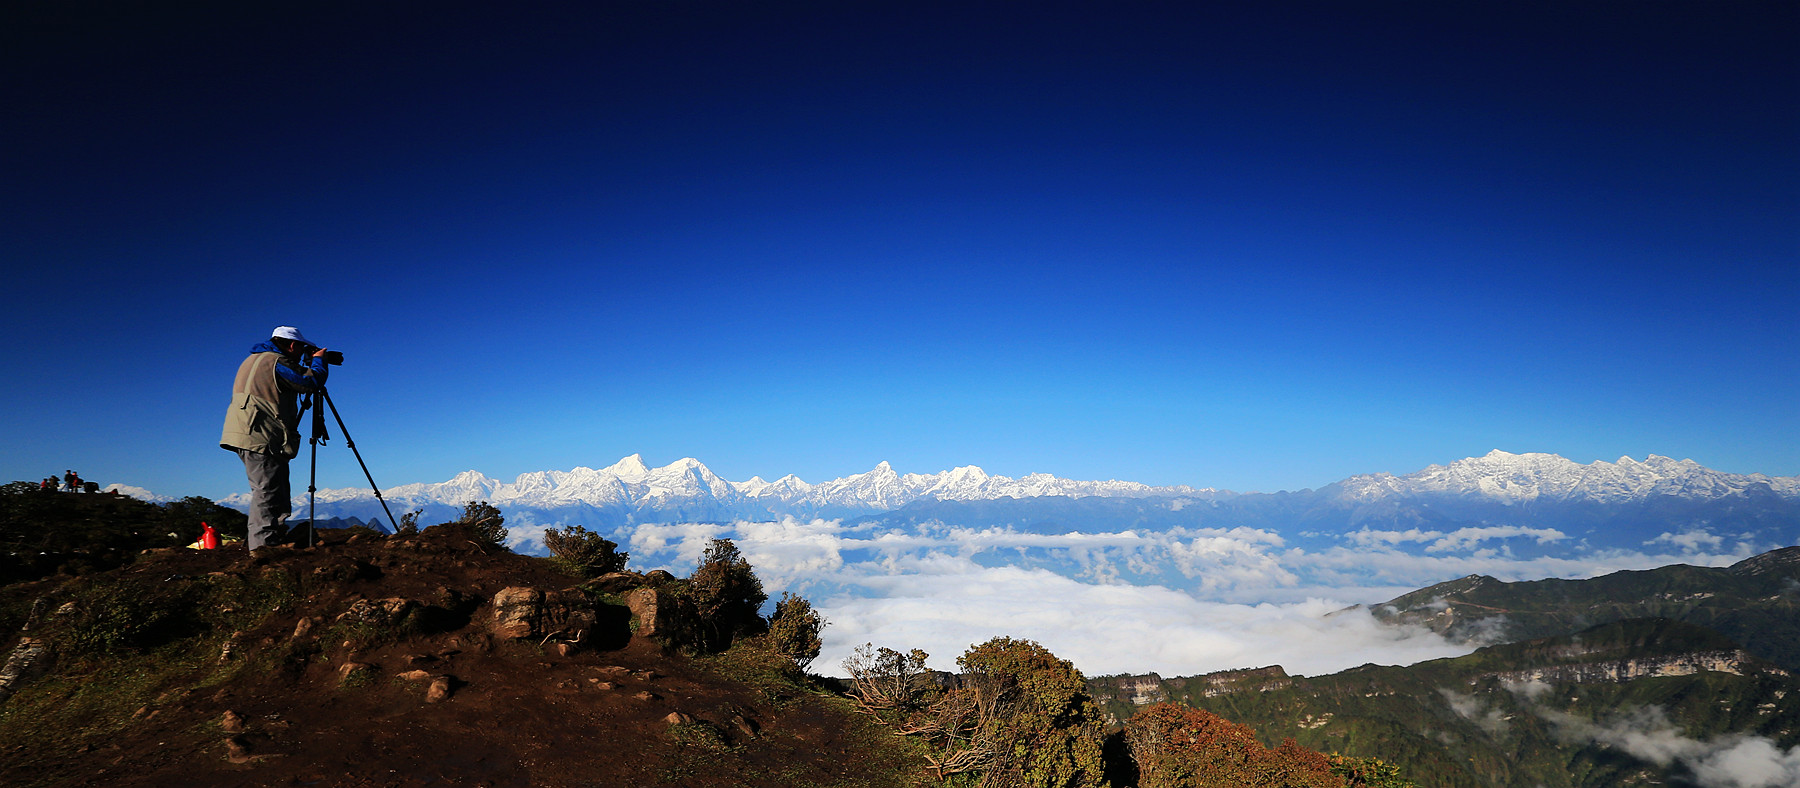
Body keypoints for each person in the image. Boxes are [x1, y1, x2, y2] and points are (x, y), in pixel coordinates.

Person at [220, 326, 330, 550]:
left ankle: (273, 536)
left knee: (276, 485)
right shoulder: (275, 362)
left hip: (252, 432)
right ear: (291, 345)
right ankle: (263, 547)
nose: (302, 352)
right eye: (302, 347)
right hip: (260, 434)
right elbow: (309, 383)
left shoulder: (254, 360)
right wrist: (318, 362)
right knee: (267, 490)